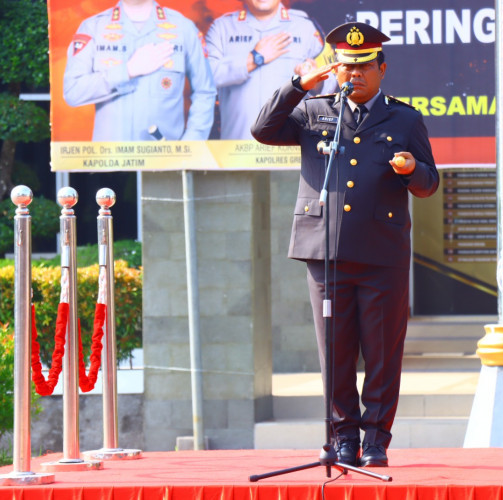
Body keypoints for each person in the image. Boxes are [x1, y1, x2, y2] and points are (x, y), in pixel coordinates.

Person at [251, 22, 439, 467]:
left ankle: (375, 439)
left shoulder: (404, 118)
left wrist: (412, 168)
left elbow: (429, 184)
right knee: (333, 353)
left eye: (362, 67)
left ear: (381, 69)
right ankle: (343, 439)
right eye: (345, 66)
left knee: (381, 353)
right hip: (326, 252)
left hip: (382, 256)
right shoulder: (314, 110)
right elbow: (262, 128)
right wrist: (300, 84)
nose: (352, 74)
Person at [63, 0, 216, 141]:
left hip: (165, 161)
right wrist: (128, 70)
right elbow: (73, 91)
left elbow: (205, 91)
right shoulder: (92, 28)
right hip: (110, 160)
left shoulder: (184, 28)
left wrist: (191, 144)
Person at [206, 0, 329, 140]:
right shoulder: (222, 27)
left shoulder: (306, 27)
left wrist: (315, 81)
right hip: (238, 147)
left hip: (290, 146)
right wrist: (254, 58)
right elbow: (206, 78)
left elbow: (331, 82)